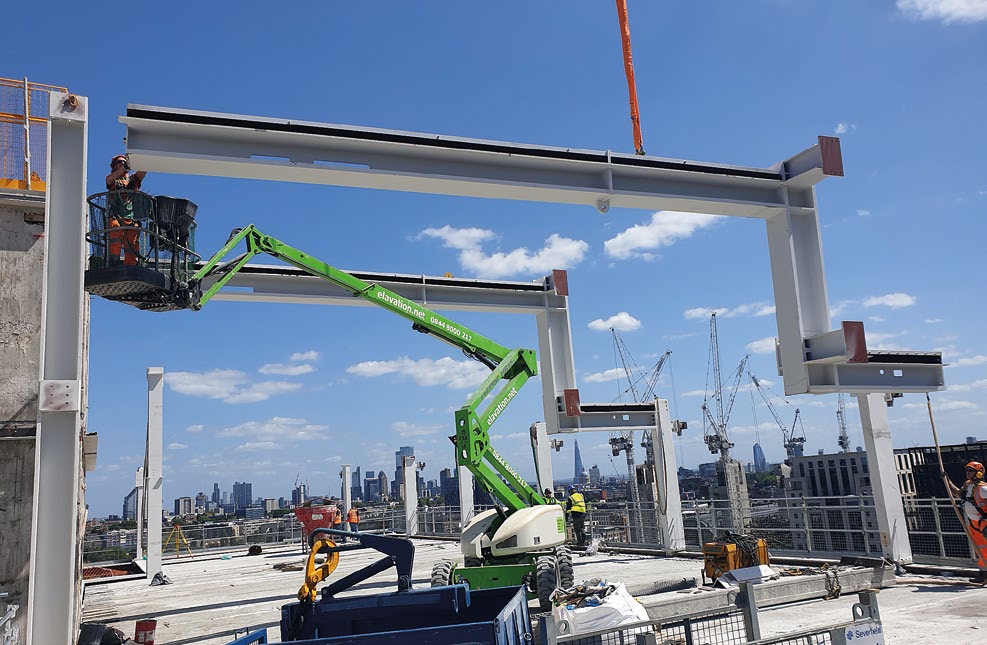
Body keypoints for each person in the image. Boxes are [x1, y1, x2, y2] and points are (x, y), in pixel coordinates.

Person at [944, 461, 987, 583]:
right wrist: (947, 481)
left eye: (971, 471)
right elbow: (958, 494)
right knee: (981, 550)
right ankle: (984, 574)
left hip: (984, 524)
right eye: (967, 471)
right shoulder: (968, 485)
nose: (968, 473)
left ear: (979, 473)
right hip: (973, 524)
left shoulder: (983, 489)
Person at [104, 154, 147, 266]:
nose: (122, 164)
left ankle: (130, 266)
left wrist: (144, 159)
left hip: (131, 219)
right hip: (116, 216)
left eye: (124, 162)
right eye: (119, 162)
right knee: (115, 235)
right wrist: (126, 166)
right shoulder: (113, 179)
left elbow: (143, 171)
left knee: (132, 244)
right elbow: (109, 179)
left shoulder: (133, 180)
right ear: (114, 166)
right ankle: (114, 263)